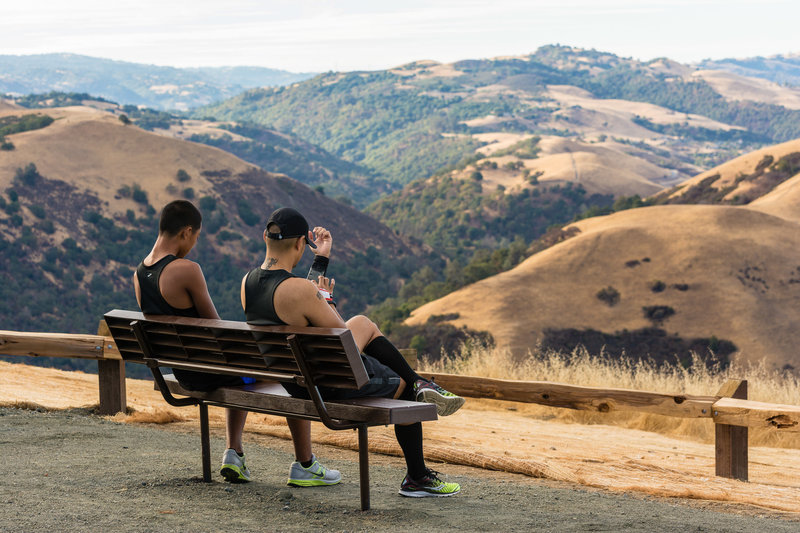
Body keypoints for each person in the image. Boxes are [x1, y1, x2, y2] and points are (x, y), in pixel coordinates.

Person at [240, 207, 465, 497]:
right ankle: (418, 475)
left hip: (296, 381)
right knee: (401, 382)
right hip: (331, 383)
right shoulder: (299, 291)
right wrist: (328, 300)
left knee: (362, 322)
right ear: (299, 245)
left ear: (264, 236)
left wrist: (321, 260)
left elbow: (296, 301)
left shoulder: (248, 284)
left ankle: (422, 384)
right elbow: (342, 341)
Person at [133, 200, 340, 487]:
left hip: (183, 369)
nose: (193, 244)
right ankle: (305, 464)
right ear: (186, 232)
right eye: (195, 237)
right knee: (293, 363)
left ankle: (234, 452)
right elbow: (216, 327)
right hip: (210, 369)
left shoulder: (139, 274)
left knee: (245, 364)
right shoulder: (187, 270)